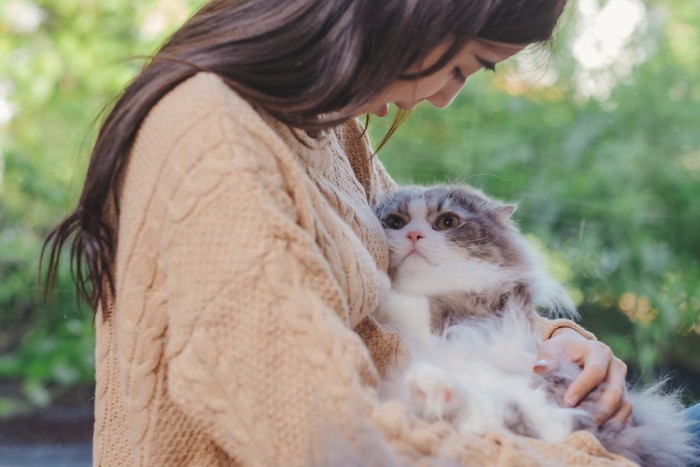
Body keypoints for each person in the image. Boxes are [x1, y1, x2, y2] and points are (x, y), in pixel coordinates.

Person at [41, 0, 659, 465]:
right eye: (466, 67)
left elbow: (423, 279)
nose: (445, 99)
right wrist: (579, 458)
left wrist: (558, 346)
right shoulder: (213, 140)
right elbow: (327, 437)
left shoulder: (325, 124)